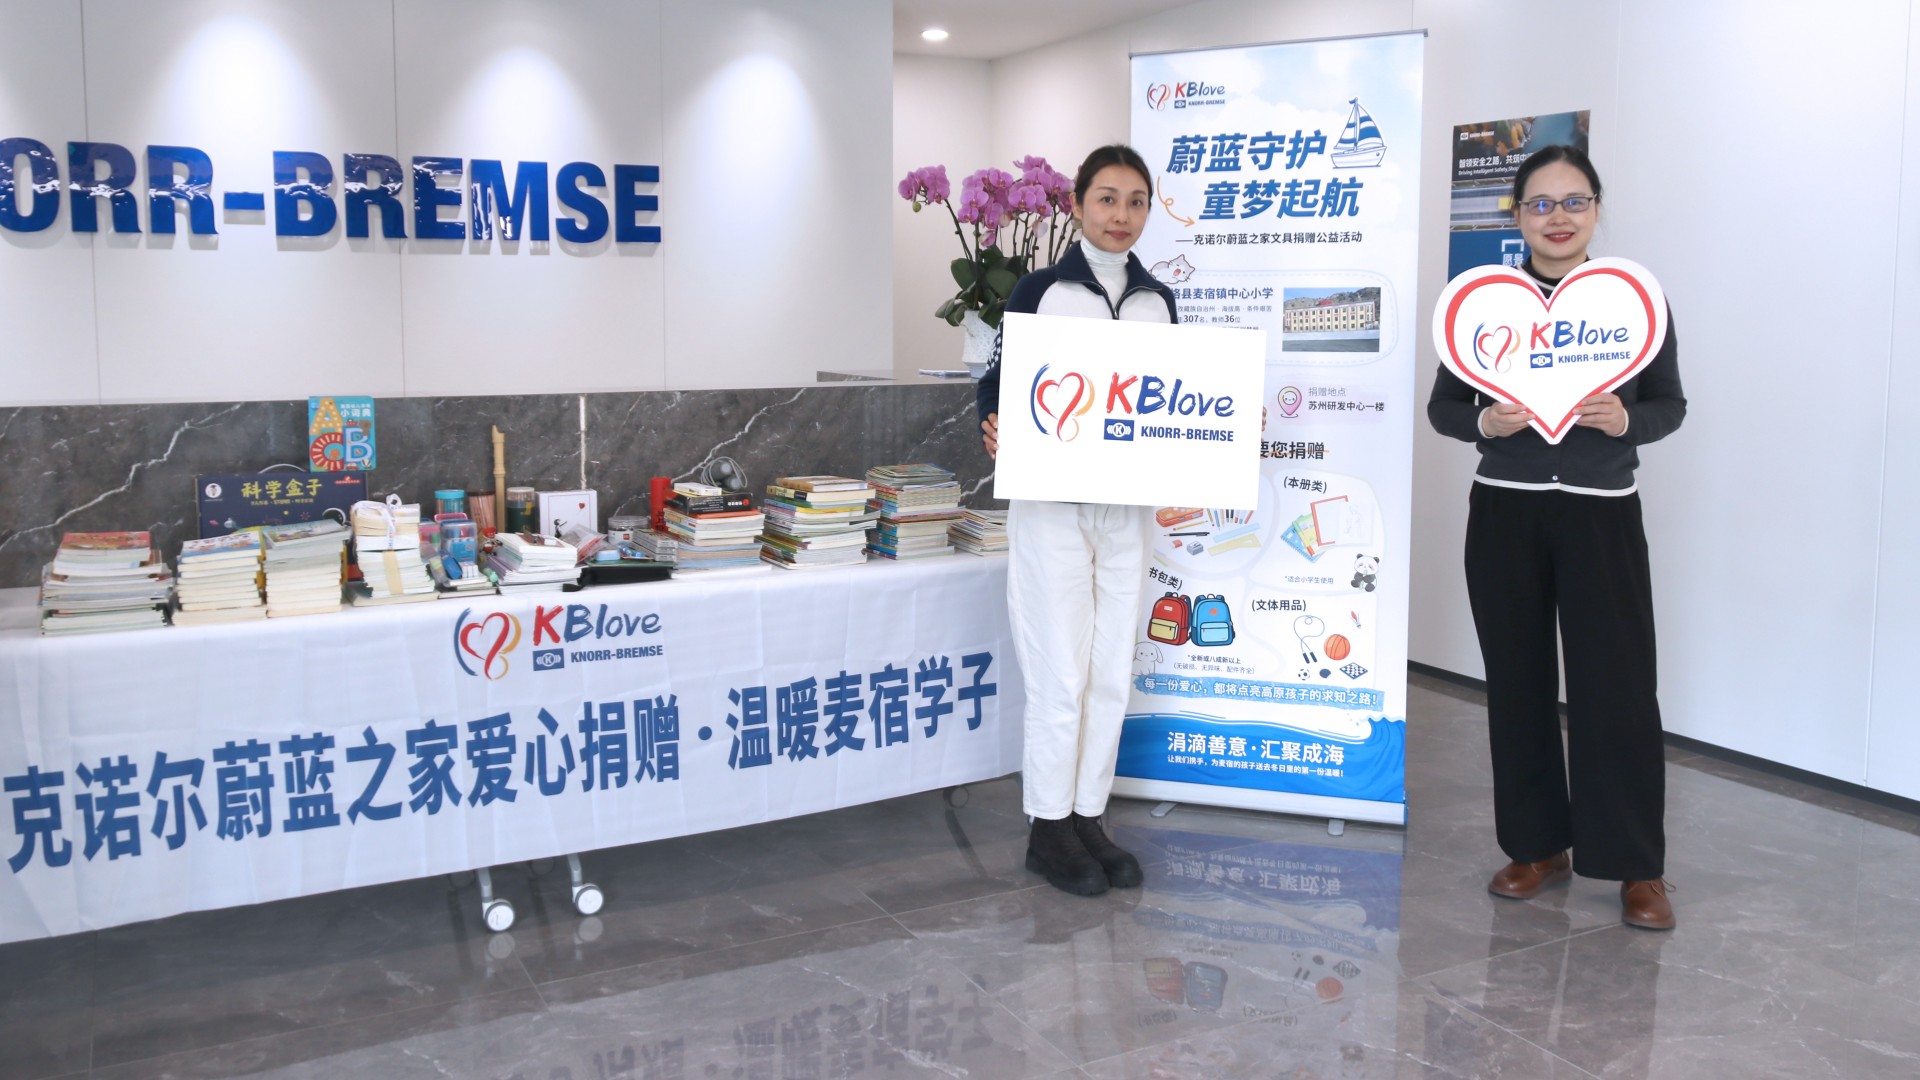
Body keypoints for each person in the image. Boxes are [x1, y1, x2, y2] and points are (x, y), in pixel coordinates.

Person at [1427, 145, 1686, 930]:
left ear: (1596, 210)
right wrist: (1484, 420)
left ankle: (1637, 865)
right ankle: (1538, 846)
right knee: (1518, 679)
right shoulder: (1480, 304)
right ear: (1517, 216)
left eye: (1574, 202)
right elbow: (1444, 409)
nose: (1558, 217)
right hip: (1504, 510)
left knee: (1618, 685)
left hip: (1602, 511)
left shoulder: (1633, 302)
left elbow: (1670, 405)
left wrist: (1625, 419)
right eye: (1540, 204)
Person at [975, 144, 1178, 897]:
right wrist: (992, 419)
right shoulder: (1038, 291)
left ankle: (1089, 815)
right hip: (1054, 508)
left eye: (1135, 201)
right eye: (1106, 199)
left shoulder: (1159, 302)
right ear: (1077, 205)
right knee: (1061, 668)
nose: (1120, 216)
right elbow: (997, 379)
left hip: (1126, 510)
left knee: (1111, 672)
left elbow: (1176, 397)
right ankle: (1047, 826)